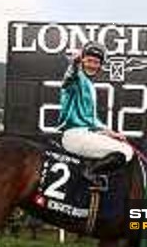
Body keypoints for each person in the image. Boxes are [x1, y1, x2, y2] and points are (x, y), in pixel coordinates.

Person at [57, 41, 134, 183]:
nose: (92, 65)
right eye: (89, 60)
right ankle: (90, 173)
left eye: (96, 62)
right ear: (82, 60)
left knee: (125, 147)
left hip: (85, 134)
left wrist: (113, 133)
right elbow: (69, 78)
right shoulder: (77, 77)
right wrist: (74, 63)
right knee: (126, 152)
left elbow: (92, 120)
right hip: (75, 136)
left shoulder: (89, 85)